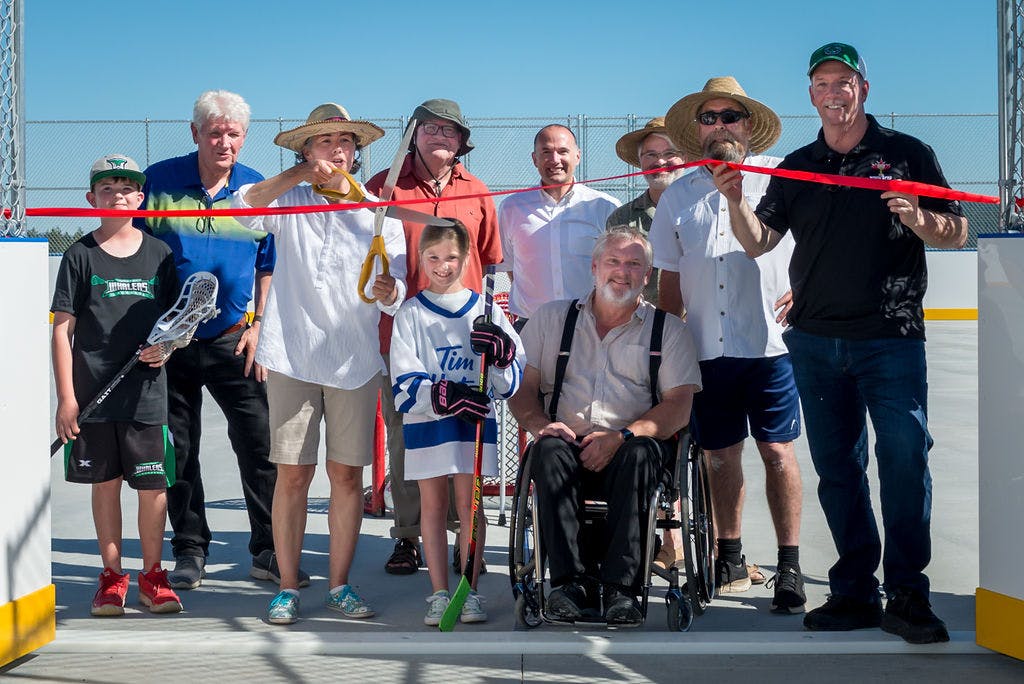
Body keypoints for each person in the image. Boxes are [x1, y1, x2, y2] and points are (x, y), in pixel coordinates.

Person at [715, 43, 968, 644]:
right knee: (838, 470)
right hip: (817, 343)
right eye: (823, 83)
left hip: (892, 338)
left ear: (864, 88)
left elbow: (957, 231)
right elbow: (759, 243)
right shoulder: (798, 164)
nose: (834, 92)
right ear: (811, 95)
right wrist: (733, 199)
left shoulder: (907, 154)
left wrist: (919, 219)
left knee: (905, 462)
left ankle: (908, 592)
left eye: (844, 81)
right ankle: (855, 589)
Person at [233, 103, 407, 625]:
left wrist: (388, 288)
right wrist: (297, 176)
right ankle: (287, 586)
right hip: (290, 355)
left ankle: (339, 586)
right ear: (307, 151)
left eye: (345, 141)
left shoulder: (378, 210)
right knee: (292, 477)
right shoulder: (289, 200)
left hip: (354, 360)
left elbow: (394, 292)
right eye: (324, 141)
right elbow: (242, 207)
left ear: (356, 153)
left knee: (347, 477)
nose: (336, 148)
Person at [653, 76, 806, 613]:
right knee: (720, 459)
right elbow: (669, 286)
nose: (720, 126)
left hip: (771, 348)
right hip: (705, 351)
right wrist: (661, 355)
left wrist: (805, 288)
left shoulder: (780, 181)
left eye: (730, 116)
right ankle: (729, 555)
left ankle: (790, 566)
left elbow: (821, 241)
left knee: (779, 454)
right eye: (710, 118)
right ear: (698, 130)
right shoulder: (678, 194)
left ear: (748, 126)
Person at [139, 90, 301, 590]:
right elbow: (136, 251)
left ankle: (269, 550)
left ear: (244, 138)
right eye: (214, 132)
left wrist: (259, 327)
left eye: (233, 134)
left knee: (259, 447)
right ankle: (190, 548)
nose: (224, 142)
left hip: (236, 339)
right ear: (195, 134)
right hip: (173, 344)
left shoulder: (258, 189)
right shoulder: (159, 182)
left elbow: (269, 265)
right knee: (180, 449)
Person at [509, 225, 701, 625]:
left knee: (641, 453)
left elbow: (679, 406)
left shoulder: (669, 330)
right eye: (613, 261)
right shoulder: (551, 319)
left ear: (647, 275)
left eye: (634, 264)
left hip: (633, 444)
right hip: (568, 441)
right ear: (595, 267)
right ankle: (568, 585)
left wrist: (624, 435)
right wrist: (541, 425)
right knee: (546, 450)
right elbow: (521, 390)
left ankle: (622, 590)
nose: (622, 271)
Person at [366, 99, 503, 577]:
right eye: (429, 129)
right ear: (414, 135)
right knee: (408, 439)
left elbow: (487, 263)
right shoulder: (383, 187)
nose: (439, 137)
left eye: (449, 131)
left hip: (464, 341)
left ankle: (463, 543)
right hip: (403, 334)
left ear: (462, 141)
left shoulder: (479, 191)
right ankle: (407, 537)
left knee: (463, 442)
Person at [52, 154, 182, 616]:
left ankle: (153, 576)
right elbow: (61, 330)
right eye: (107, 188)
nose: (118, 194)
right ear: (92, 198)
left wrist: (166, 350)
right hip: (92, 400)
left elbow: (176, 327)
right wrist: (67, 398)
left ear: (140, 198)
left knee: (153, 489)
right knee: (104, 486)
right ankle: (111, 577)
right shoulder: (79, 254)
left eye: (127, 187)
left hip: (147, 397)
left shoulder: (160, 255)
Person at [390, 220, 524, 625]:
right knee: (433, 505)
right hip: (429, 424)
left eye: (451, 257)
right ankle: (438, 592)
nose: (443, 266)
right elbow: (404, 378)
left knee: (470, 506)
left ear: (466, 258)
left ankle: (469, 592)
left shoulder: (486, 310)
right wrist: (443, 396)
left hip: (475, 425)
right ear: (421, 259)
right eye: (433, 258)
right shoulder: (411, 312)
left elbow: (512, 376)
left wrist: (501, 355)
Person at [498, 124, 621, 325]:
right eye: (546, 152)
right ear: (534, 159)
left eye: (563, 151)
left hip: (590, 325)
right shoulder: (511, 208)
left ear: (577, 156)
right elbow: (511, 266)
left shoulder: (605, 207)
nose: (555, 160)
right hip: (530, 326)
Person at [606, 116, 686, 304]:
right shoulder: (621, 219)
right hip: (642, 324)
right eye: (650, 154)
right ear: (640, 162)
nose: (660, 161)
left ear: (686, 158)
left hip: (699, 324)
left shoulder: (707, 209)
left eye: (669, 153)